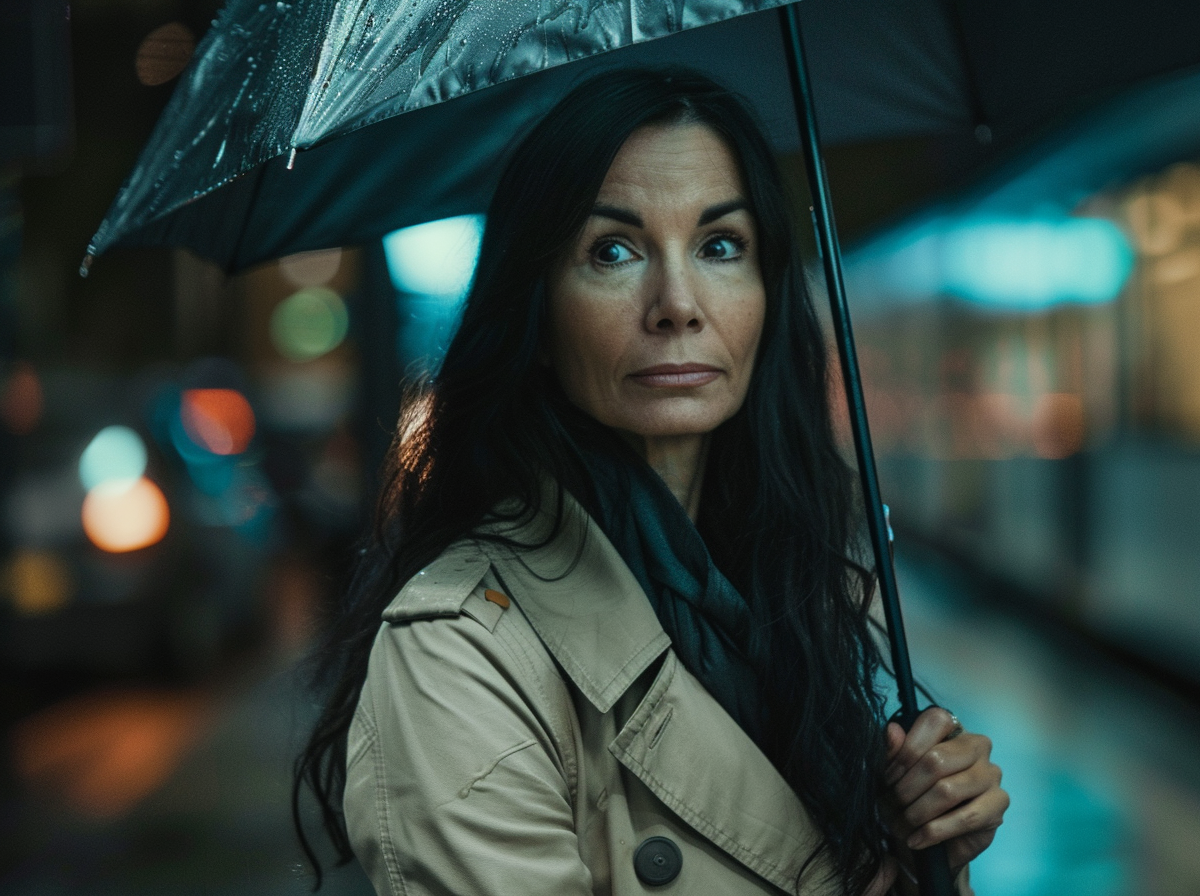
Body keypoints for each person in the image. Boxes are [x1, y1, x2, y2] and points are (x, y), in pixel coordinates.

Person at [294, 68, 1008, 896]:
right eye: (613, 251)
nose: (677, 304)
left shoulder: (782, 594)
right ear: (537, 313)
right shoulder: (457, 653)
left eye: (720, 245)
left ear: (768, 293)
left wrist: (913, 853)